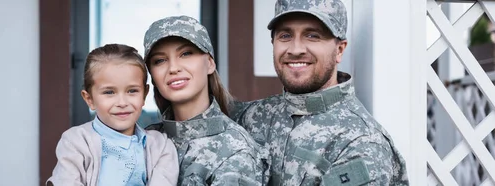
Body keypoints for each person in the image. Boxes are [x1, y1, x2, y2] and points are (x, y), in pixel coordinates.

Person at [229, 0, 409, 185]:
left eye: (313, 36)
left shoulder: (359, 142)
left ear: (339, 50)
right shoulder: (251, 117)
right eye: (285, 36)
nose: (296, 49)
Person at [143, 15, 268, 186]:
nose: (173, 68)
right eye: (160, 60)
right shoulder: (147, 139)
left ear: (210, 63)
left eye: (186, 54)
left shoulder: (233, 150)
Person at [46, 44, 179, 186]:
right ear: (89, 99)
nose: (122, 103)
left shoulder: (160, 146)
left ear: (144, 95)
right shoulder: (76, 141)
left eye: (132, 91)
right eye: (109, 92)